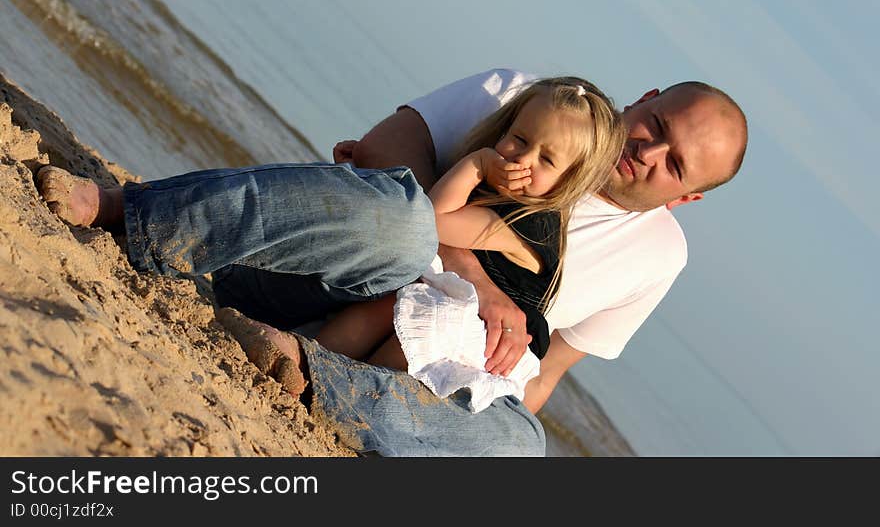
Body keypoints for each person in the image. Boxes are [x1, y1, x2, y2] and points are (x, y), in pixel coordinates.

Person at [36, 68, 748, 456]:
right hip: (308, 272)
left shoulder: (657, 258)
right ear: (648, 98)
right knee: (405, 224)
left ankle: (313, 378)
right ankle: (126, 212)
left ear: (683, 197)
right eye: (657, 127)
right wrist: (467, 273)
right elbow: (382, 147)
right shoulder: (531, 100)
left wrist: (491, 379)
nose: (649, 151)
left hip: (400, 359)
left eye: (673, 163)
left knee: (520, 447)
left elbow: (550, 370)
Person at [314, 78, 625, 413]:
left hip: (480, 340)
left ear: (569, 180)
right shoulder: (495, 189)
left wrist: (477, 164)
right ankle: (311, 360)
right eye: (519, 139)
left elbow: (428, 221)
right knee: (387, 306)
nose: (524, 158)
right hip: (450, 303)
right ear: (505, 130)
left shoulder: (529, 225)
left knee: (412, 322)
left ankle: (348, 393)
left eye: (547, 160)